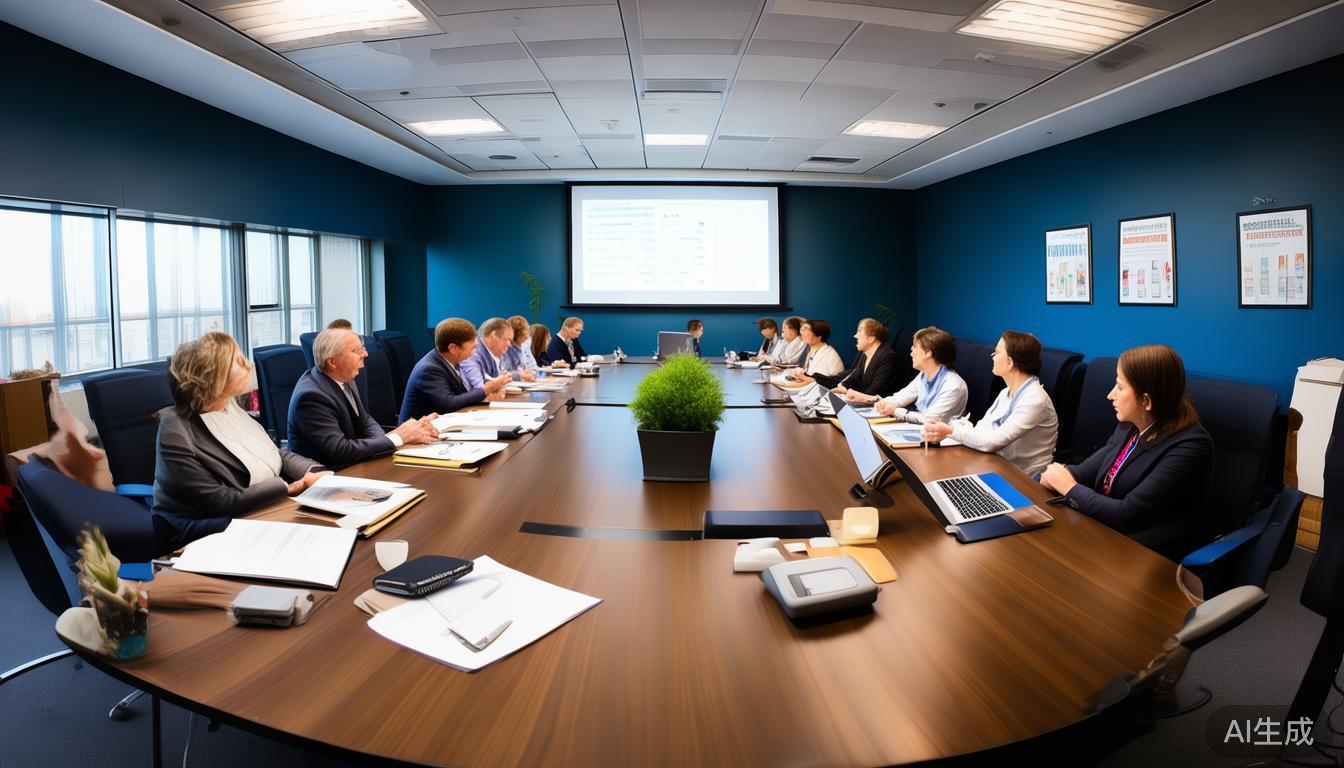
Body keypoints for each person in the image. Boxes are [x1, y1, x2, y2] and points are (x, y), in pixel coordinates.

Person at [1040, 345, 1214, 559]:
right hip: (1103, 532)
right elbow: (1086, 472)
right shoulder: (1131, 424)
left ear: (1146, 401)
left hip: (1144, 553)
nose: (1110, 395)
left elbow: (1125, 515)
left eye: (1120, 387)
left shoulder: (1191, 446)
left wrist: (1067, 486)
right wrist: (1060, 474)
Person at [153, 332, 327, 547]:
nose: (249, 365)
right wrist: (288, 488)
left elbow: (272, 452)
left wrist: (313, 471)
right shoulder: (176, 431)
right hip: (202, 529)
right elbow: (219, 501)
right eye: (238, 361)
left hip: (257, 510)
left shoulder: (229, 406)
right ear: (211, 374)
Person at [287, 328, 439, 469]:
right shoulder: (311, 397)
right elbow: (340, 451)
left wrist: (389, 439)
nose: (365, 354)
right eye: (356, 350)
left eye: (363, 348)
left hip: (354, 464)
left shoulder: (345, 377)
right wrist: (397, 437)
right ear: (332, 362)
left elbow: (364, 419)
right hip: (328, 474)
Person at [922, 330, 1058, 477]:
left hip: (1025, 479)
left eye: (997, 352)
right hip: (996, 463)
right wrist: (952, 429)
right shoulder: (1005, 393)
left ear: (1009, 362)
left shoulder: (1035, 400)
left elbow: (993, 441)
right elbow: (982, 428)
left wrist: (950, 431)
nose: (992, 356)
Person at [400, 318, 510, 421]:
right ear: (453, 348)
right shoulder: (429, 369)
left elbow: (463, 394)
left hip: (444, 422)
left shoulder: (452, 361)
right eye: (472, 348)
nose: (474, 352)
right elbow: (448, 403)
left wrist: (487, 395)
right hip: (420, 431)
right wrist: (486, 389)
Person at [874, 326, 968, 423]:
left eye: (915, 347)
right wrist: (885, 403)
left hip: (935, 431)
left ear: (928, 353)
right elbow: (903, 396)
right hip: (918, 427)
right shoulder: (924, 375)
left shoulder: (954, 386)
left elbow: (930, 420)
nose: (911, 353)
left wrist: (895, 411)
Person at [806, 318, 901, 398]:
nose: (855, 335)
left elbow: (873, 394)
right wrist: (843, 386)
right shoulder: (864, 353)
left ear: (871, 338)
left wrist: (847, 392)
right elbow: (855, 375)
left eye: (859, 331)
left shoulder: (888, 357)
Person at [462, 317, 537, 388]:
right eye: (507, 340)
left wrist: (519, 376)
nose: (509, 344)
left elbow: (501, 376)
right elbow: (479, 388)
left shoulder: (494, 353)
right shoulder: (473, 353)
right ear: (494, 335)